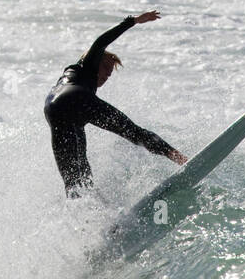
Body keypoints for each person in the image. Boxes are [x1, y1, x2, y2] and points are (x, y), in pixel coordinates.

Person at [44, 11, 187, 195]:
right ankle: (180, 158)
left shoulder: (74, 77)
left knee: (76, 179)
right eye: (105, 69)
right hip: (74, 98)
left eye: (109, 75)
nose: (105, 76)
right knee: (134, 132)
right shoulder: (85, 65)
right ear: (96, 61)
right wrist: (133, 21)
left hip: (55, 110)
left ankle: (90, 218)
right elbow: (100, 42)